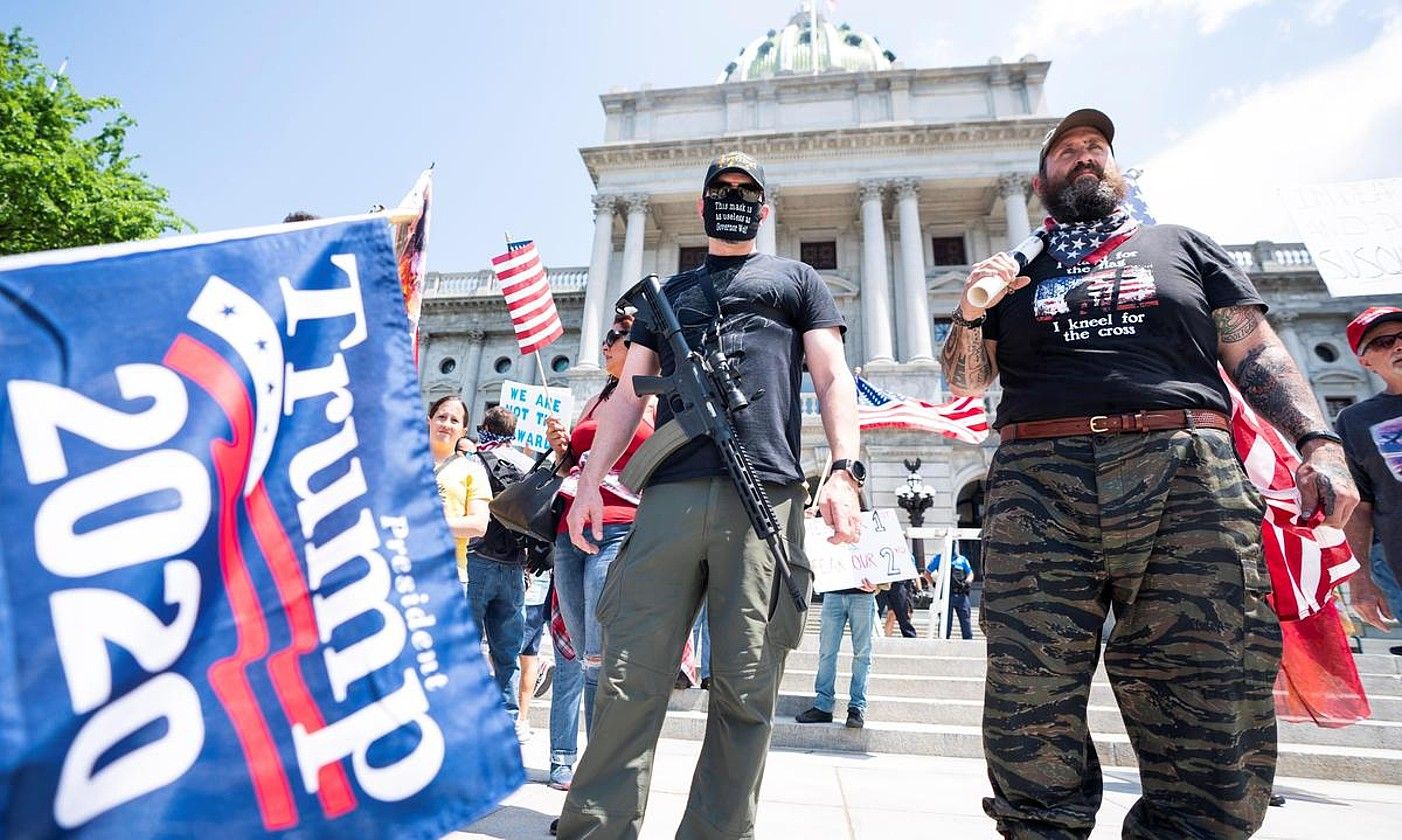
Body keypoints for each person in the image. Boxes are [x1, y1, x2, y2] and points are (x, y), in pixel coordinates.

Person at [938, 108, 1359, 838]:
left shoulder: (1179, 244)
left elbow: (1254, 350)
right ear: (1041, 183)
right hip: (1042, 478)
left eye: (1097, 148)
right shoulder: (1017, 271)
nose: (1085, 157)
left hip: (1186, 470)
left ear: (1117, 169)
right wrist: (973, 311)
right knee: (1028, 688)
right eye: (1068, 152)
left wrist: (1318, 441)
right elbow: (968, 384)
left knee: (1209, 676)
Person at [557, 151, 863, 839]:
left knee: (748, 687)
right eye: (719, 189)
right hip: (665, 496)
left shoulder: (798, 280)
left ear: (764, 207)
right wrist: (587, 483)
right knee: (631, 674)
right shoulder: (667, 294)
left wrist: (845, 469)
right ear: (701, 207)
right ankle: (596, 828)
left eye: (745, 190)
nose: (732, 197)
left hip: (764, 496)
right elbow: (627, 402)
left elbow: (833, 376)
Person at [543, 309, 656, 797]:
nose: (607, 345)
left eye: (617, 339)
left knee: (597, 655)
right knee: (580, 652)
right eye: (609, 337)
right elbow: (580, 460)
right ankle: (585, 772)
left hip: (618, 526)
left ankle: (597, 782)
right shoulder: (594, 399)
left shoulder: (651, 398)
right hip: (571, 526)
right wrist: (563, 446)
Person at [464, 405, 537, 734]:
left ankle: (465, 716)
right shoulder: (527, 463)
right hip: (514, 566)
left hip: (477, 559)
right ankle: (507, 721)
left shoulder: (472, 461)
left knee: (468, 644)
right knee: (506, 651)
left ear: (484, 427)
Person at [1336, 306, 1402, 653]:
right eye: (1385, 341)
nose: (1399, 346)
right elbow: (1360, 506)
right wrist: (1360, 577)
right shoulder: (1355, 421)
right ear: (1365, 362)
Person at [426, 395, 491, 591]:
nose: (446, 424)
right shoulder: (402, 463)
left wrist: (427, 525)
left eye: (454, 420)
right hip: (398, 568)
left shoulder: (473, 471)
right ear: (429, 420)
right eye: (441, 417)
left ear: (463, 430)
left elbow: (478, 524)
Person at [795, 579, 878, 728]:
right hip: (833, 592)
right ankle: (823, 706)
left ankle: (857, 708)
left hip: (864, 595)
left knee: (862, 653)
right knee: (827, 652)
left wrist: (880, 585)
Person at [928, 550, 975, 640]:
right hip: (946, 595)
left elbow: (970, 573)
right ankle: (943, 641)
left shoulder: (962, 559)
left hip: (961, 594)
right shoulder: (939, 558)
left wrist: (968, 581)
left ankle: (968, 642)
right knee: (945, 623)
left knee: (966, 621)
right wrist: (935, 584)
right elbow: (927, 573)